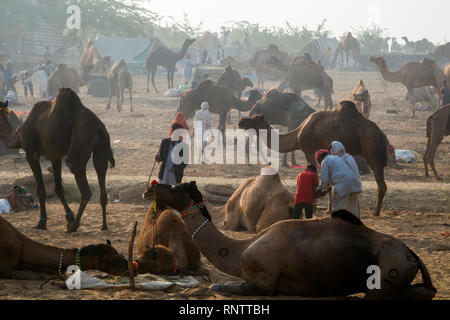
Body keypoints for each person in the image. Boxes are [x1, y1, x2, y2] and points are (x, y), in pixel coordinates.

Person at [315, 149, 362, 219]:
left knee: (338, 212)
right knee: (353, 212)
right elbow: (339, 176)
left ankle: (338, 228)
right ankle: (355, 229)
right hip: (355, 184)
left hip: (342, 187)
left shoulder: (325, 161)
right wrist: (326, 190)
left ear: (320, 157)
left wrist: (318, 191)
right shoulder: (337, 158)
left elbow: (324, 180)